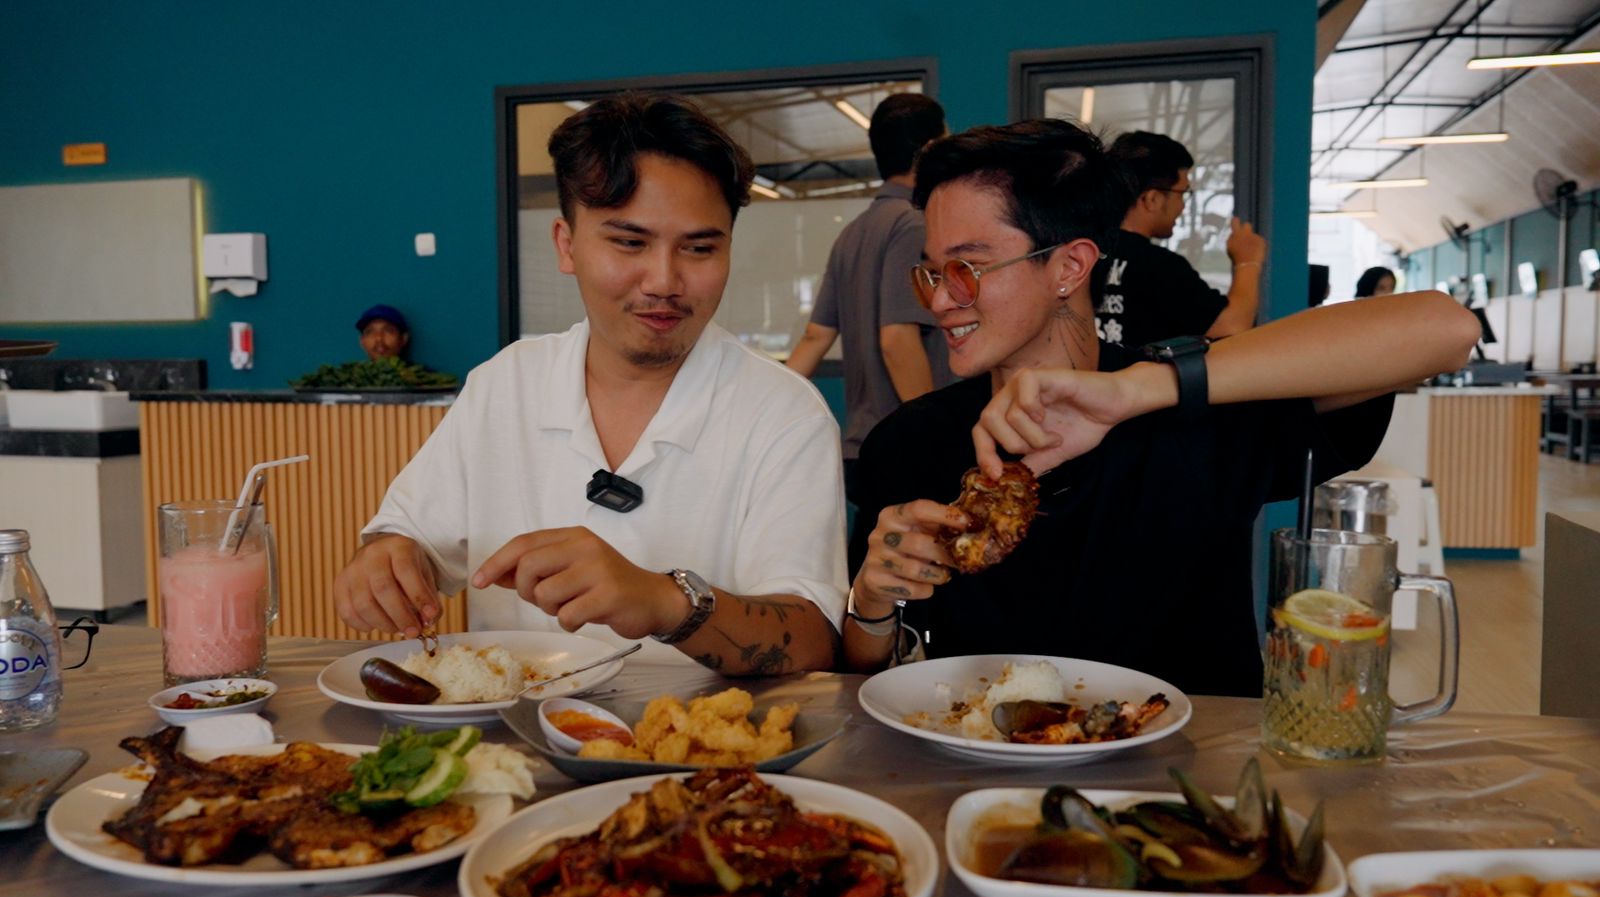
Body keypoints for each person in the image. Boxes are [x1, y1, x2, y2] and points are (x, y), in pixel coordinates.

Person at [838, 119, 1479, 696]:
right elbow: (863, 670)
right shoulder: (910, 442)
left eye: (967, 268)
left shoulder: (1189, 409)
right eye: (931, 272)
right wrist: (869, 599)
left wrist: (1138, 389)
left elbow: (1446, 329)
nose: (939, 301)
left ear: (1069, 267)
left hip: (1191, 773)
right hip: (978, 769)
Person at [334, 93, 845, 675]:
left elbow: (813, 639)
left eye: (700, 248)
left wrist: (664, 602)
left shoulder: (782, 412)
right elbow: (411, 539)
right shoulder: (506, 386)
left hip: (707, 732)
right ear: (566, 244)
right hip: (514, 729)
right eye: (629, 243)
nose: (664, 281)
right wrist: (388, 560)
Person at [785, 93, 953, 498]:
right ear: (931, 148)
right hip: (908, 449)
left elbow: (815, 337)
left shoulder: (852, 233)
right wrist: (937, 434)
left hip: (861, 450)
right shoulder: (914, 224)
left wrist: (762, 407)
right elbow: (897, 338)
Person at [1092, 131, 1266, 349]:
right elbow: (1232, 325)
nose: (1183, 206)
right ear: (1152, 199)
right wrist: (1247, 262)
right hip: (1142, 373)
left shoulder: (1087, 254)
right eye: (1182, 193)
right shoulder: (1157, 266)